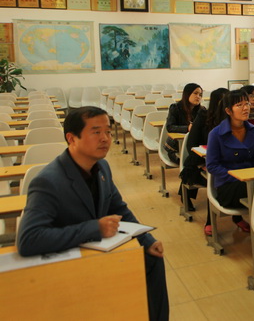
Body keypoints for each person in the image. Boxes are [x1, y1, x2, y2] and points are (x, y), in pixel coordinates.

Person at [17, 106, 169, 321]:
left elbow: (119, 209)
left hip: (97, 251)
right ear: (72, 138)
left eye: (108, 131)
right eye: (96, 132)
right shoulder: (48, 181)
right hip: (66, 260)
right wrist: (94, 228)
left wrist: (146, 239)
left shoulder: (102, 167)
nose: (105, 138)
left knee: (152, 257)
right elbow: (28, 239)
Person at [206, 89, 254, 278]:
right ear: (228, 110)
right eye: (239, 105)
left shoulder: (252, 130)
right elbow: (212, 166)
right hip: (228, 187)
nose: (246, 108)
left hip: (250, 183)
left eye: (247, 103)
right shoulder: (216, 134)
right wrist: (238, 177)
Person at [179, 87, 229, 235]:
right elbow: (191, 144)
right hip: (200, 160)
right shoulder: (204, 116)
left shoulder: (233, 118)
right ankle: (210, 221)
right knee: (216, 178)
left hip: (224, 160)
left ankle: (238, 216)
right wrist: (204, 160)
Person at [165, 83, 204, 164]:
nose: (198, 97)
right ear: (187, 94)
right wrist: (187, 128)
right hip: (176, 147)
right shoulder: (175, 108)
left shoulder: (202, 110)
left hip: (193, 146)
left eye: (200, 94)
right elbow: (170, 127)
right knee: (191, 163)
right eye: (195, 93)